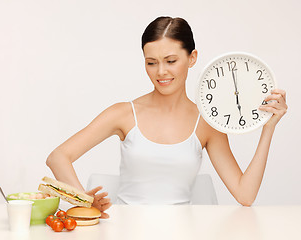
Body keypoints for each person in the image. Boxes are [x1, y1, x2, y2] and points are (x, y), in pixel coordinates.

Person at [46, 16, 288, 218]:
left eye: (171, 61)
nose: (161, 72)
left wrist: (268, 127)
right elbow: (58, 157)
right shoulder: (123, 113)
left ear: (192, 58)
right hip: (124, 230)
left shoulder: (206, 123)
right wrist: (84, 201)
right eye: (151, 63)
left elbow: (245, 195)